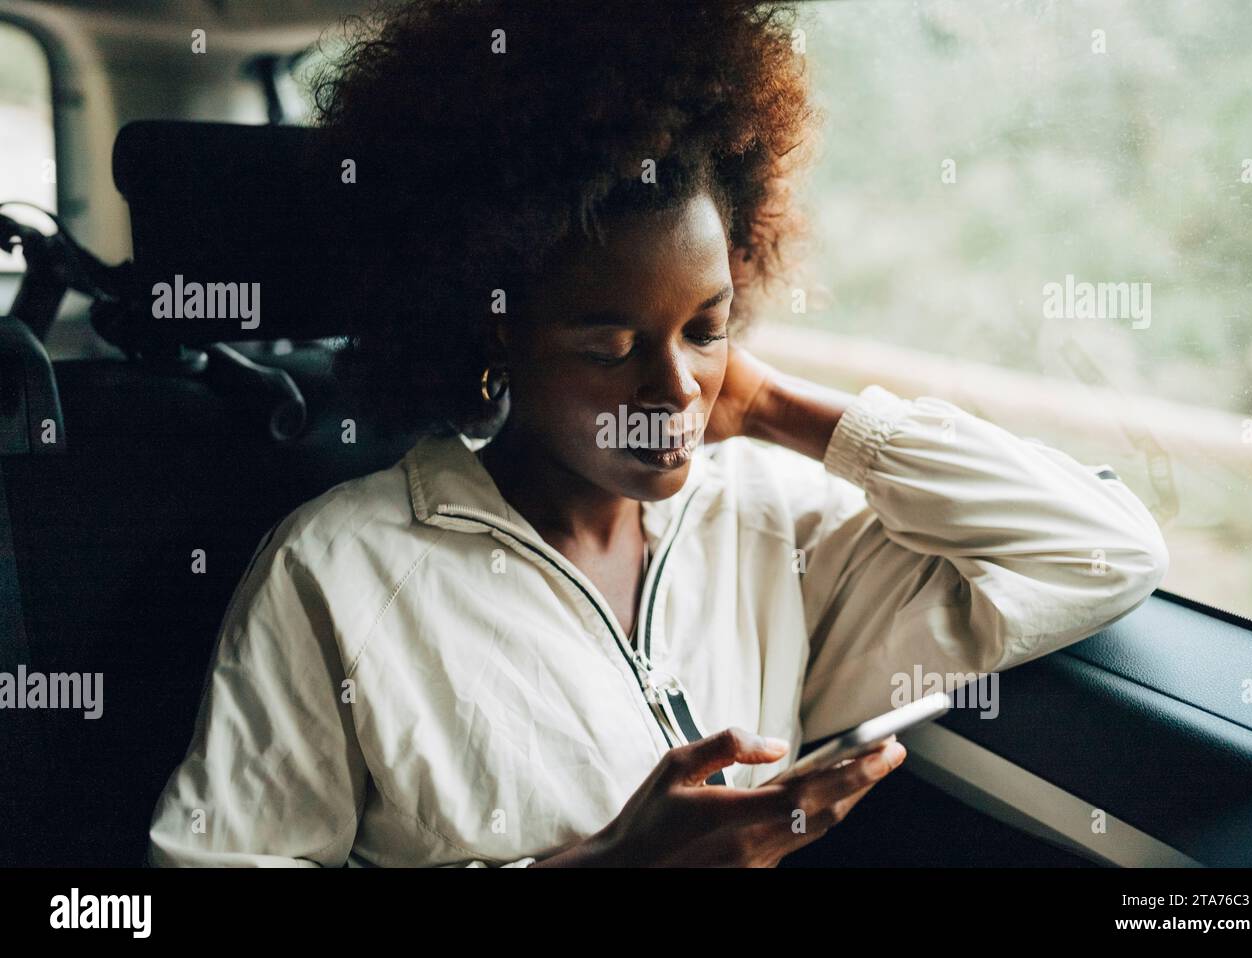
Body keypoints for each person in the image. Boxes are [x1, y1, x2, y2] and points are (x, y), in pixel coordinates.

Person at [145, 0, 1168, 867]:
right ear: (489, 325)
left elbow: (1102, 550)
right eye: (608, 344)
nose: (674, 387)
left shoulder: (778, 522)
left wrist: (774, 407)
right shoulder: (338, 573)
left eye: (706, 325)